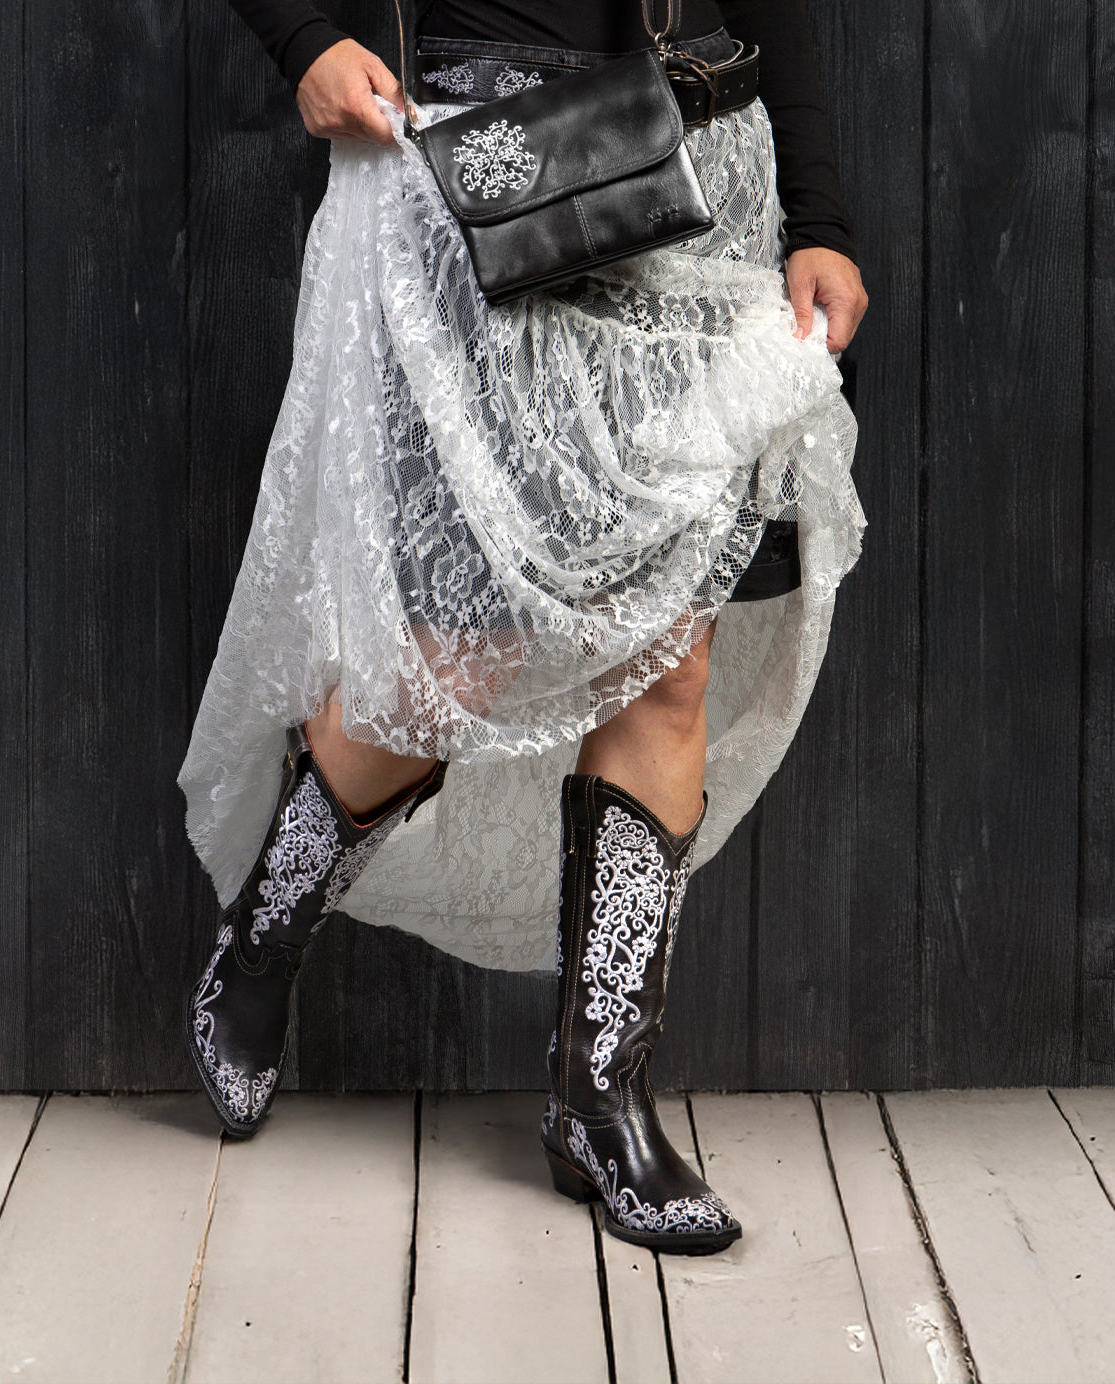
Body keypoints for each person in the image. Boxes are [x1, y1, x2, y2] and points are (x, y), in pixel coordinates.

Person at [180, 0, 868, 1255]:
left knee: (669, 663)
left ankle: (597, 1107)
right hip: (487, 180)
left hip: (705, 186)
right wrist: (302, 40)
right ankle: (264, 941)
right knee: (457, 662)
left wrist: (819, 222)